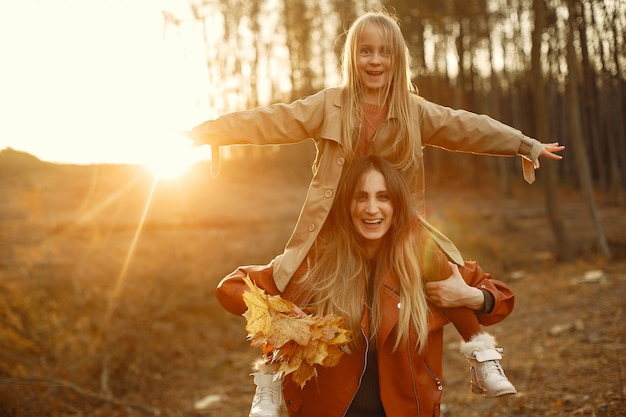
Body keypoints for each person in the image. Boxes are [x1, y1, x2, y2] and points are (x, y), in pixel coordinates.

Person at [187, 9, 565, 298]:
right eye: (365, 51)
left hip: (396, 226)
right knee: (295, 285)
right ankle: (270, 372)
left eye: (384, 52)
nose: (375, 60)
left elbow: (467, 127)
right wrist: (213, 130)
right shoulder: (330, 105)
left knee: (441, 270)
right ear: (353, 57)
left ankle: (479, 351)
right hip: (337, 226)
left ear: (397, 59)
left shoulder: (414, 110)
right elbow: (271, 121)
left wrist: (523, 143)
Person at [216, 156, 517, 417]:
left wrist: (471, 296)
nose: (372, 208)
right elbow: (230, 286)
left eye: (383, 197)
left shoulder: (425, 260)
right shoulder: (316, 261)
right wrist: (279, 314)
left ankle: (484, 361)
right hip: (327, 410)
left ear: (397, 204)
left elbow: (501, 297)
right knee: (279, 303)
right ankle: (268, 381)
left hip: (408, 408)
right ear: (346, 204)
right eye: (361, 197)